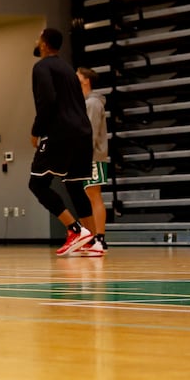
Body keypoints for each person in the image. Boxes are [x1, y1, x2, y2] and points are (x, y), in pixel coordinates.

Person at [27, 27, 95, 256]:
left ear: (44, 44)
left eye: (38, 38)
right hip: (83, 132)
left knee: (37, 184)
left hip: (61, 132)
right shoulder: (68, 69)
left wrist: (36, 131)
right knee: (75, 185)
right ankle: (93, 242)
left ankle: (75, 229)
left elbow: (47, 100)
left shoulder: (41, 67)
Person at [77, 68, 109, 256]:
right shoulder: (86, 103)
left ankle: (100, 239)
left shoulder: (93, 103)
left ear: (86, 80)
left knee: (94, 195)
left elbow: (90, 133)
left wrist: (82, 155)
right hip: (86, 157)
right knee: (88, 197)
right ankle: (91, 238)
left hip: (93, 156)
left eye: (77, 76)